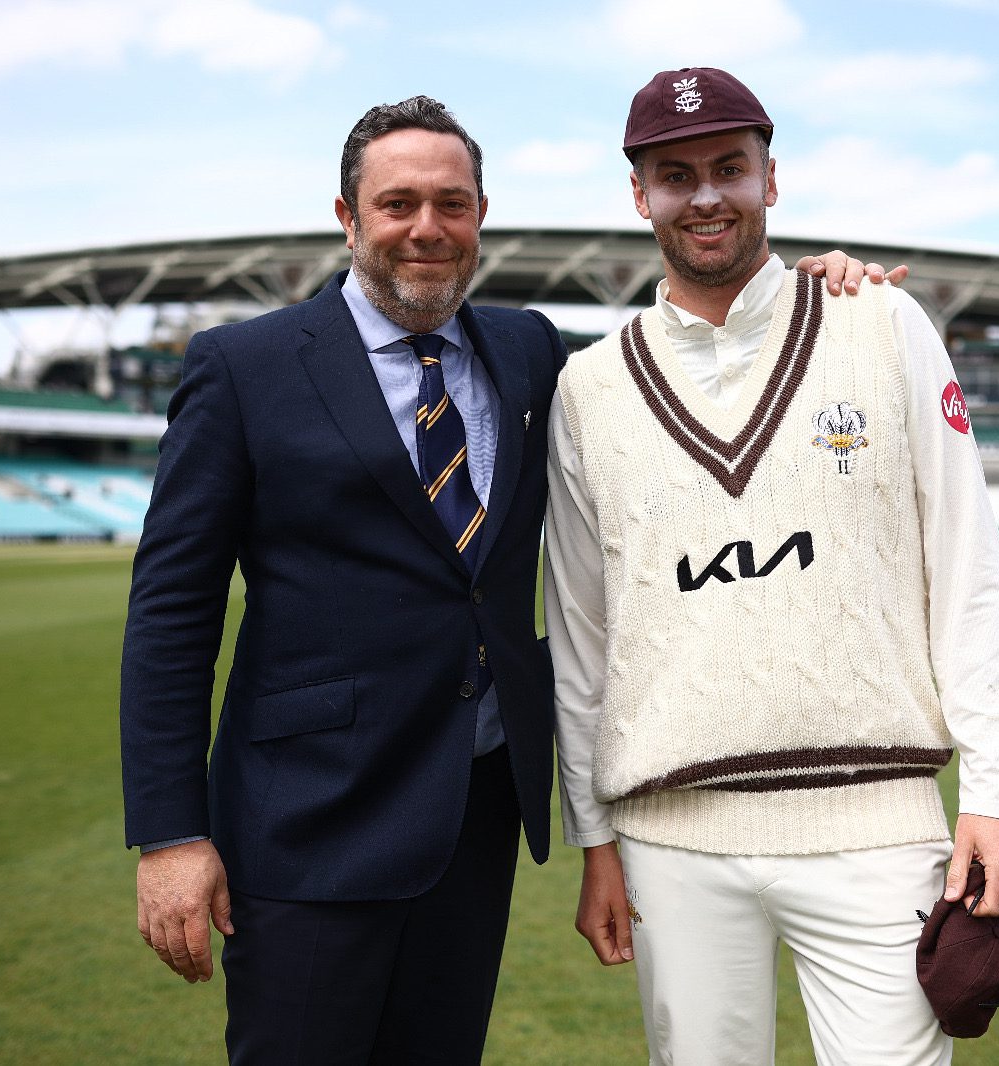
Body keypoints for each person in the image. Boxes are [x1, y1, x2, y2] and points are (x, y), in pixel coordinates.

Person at [121, 93, 902, 1063]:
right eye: (398, 203)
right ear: (347, 216)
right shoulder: (243, 367)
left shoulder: (529, 351)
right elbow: (170, 611)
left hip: (472, 815)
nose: (426, 228)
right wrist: (168, 835)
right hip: (308, 825)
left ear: (480, 215)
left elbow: (676, 369)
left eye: (451, 204)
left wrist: (806, 301)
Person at [545, 68, 999, 1064]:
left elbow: (968, 568)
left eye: (730, 167)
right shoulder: (588, 387)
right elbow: (583, 633)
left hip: (876, 826)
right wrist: (595, 836)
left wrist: (994, 791)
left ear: (772, 177)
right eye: (676, 176)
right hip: (672, 837)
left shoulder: (881, 324)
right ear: (640, 196)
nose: (707, 195)